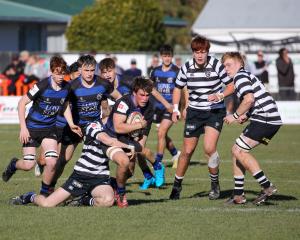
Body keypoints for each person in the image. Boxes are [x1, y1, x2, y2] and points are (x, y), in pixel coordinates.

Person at [10, 121, 136, 207]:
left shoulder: (116, 130)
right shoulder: (94, 125)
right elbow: (107, 140)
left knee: (108, 201)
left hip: (100, 178)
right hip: (81, 176)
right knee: (47, 204)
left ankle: (84, 200)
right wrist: (128, 146)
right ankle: (30, 197)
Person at [169, 35, 234, 200]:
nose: (200, 55)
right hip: (195, 113)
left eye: (203, 52)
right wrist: (176, 108)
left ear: (207, 52)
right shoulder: (186, 67)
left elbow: (231, 85)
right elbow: (178, 88)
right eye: (197, 52)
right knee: (187, 151)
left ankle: (214, 184)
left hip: (214, 112)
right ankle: (177, 186)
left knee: (209, 148)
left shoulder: (216, 65)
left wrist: (220, 96)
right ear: (192, 52)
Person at [49, 55, 122, 189]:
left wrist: (121, 114)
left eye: (92, 70)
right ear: (80, 69)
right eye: (86, 70)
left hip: (94, 127)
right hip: (75, 127)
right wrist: (70, 124)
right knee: (63, 160)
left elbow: (120, 98)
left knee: (103, 158)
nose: (89, 74)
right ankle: (49, 187)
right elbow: (63, 104)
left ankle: (111, 186)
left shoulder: (103, 83)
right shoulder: (72, 86)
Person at [2, 56, 71, 196]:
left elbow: (65, 105)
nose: (60, 76)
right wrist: (23, 128)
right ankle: (14, 164)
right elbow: (22, 103)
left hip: (49, 129)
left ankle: (44, 193)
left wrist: (71, 123)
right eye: (57, 72)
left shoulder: (67, 87)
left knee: (52, 162)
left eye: (63, 73)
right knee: (29, 165)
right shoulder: (42, 85)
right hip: (31, 129)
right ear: (51, 72)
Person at [222, 52, 282, 205]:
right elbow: (255, 99)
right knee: (236, 149)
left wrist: (234, 116)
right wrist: (247, 115)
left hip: (265, 119)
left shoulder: (240, 77)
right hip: (267, 119)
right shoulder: (244, 75)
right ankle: (238, 195)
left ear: (239, 64)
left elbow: (249, 99)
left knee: (239, 150)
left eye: (229, 65)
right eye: (224, 66)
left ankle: (267, 186)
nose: (226, 69)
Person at [104, 77, 155, 207]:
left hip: (127, 141)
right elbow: (118, 127)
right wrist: (139, 125)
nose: (145, 98)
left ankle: (108, 183)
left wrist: (136, 147)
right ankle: (121, 194)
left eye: (147, 95)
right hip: (110, 139)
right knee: (124, 162)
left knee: (130, 172)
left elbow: (143, 135)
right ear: (134, 92)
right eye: (142, 95)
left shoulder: (149, 107)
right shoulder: (124, 103)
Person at [146, 44, 182, 190]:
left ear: (172, 56)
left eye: (169, 56)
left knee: (161, 132)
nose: (167, 58)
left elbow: (182, 90)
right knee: (163, 134)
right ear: (161, 57)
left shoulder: (176, 71)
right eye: (164, 56)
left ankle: (158, 162)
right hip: (156, 107)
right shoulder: (155, 71)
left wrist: (179, 108)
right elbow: (150, 88)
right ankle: (175, 153)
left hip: (170, 108)